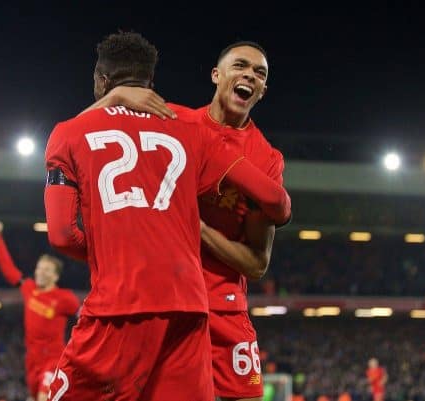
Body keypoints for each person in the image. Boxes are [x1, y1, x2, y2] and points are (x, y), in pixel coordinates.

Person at [44, 31, 291, 401]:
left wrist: (181, 232)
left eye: (260, 72)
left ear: (101, 81)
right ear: (215, 75)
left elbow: (258, 262)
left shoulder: (263, 155)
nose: (250, 76)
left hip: (170, 303)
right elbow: (280, 204)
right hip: (188, 306)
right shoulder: (184, 126)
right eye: (240, 66)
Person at [0, 221, 80, 401]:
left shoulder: (65, 298)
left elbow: (85, 317)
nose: (40, 272)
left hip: (53, 360)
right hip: (31, 362)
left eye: (46, 269)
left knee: (42, 397)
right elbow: (9, 270)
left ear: (55, 276)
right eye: (39, 268)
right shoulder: (29, 288)